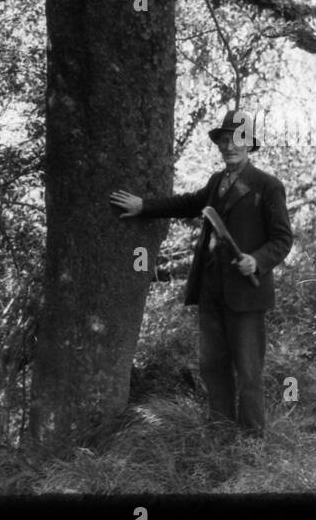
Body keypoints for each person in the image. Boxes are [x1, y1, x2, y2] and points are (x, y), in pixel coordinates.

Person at [110, 108, 293, 436]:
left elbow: (282, 238)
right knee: (212, 367)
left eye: (237, 139)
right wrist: (144, 206)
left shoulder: (269, 186)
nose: (229, 146)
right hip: (211, 293)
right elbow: (185, 203)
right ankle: (221, 435)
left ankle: (251, 442)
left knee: (248, 373)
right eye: (224, 140)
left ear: (249, 144)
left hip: (246, 296)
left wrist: (256, 260)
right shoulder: (215, 183)